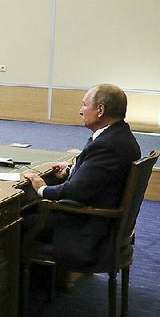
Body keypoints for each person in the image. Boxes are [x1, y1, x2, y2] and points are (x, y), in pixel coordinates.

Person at [23, 84, 141, 270]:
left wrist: (41, 188)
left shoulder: (107, 145)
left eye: (84, 105)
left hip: (89, 229)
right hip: (103, 221)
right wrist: (72, 171)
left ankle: (19, 291)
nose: (80, 111)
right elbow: (100, 178)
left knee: (19, 220)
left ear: (100, 110)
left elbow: (75, 192)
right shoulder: (119, 136)